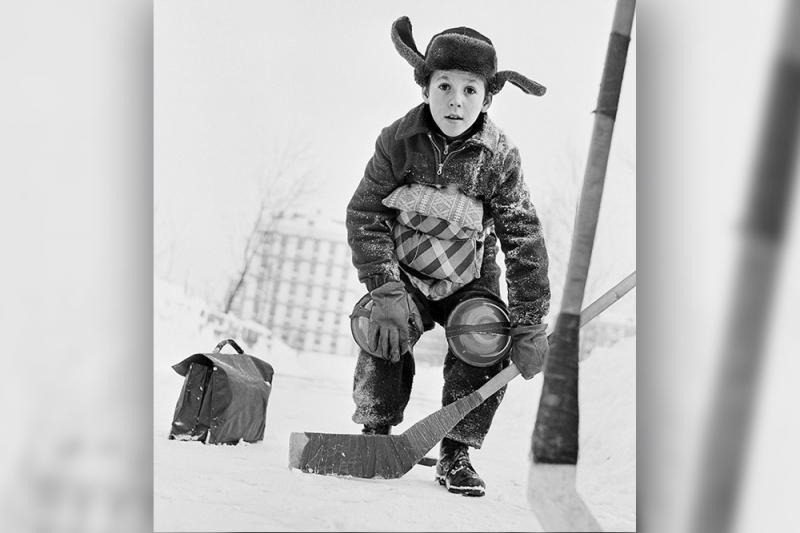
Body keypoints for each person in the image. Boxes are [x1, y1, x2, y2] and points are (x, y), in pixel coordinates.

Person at [345, 16, 551, 497]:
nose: (455, 100)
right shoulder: (397, 141)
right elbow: (365, 211)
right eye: (444, 86)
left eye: (469, 90)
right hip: (407, 276)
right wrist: (385, 286)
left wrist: (528, 322)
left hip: (469, 278)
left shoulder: (498, 156)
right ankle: (376, 432)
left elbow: (522, 236)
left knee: (486, 339)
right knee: (381, 328)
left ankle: (456, 450)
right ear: (425, 88)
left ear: (486, 97)